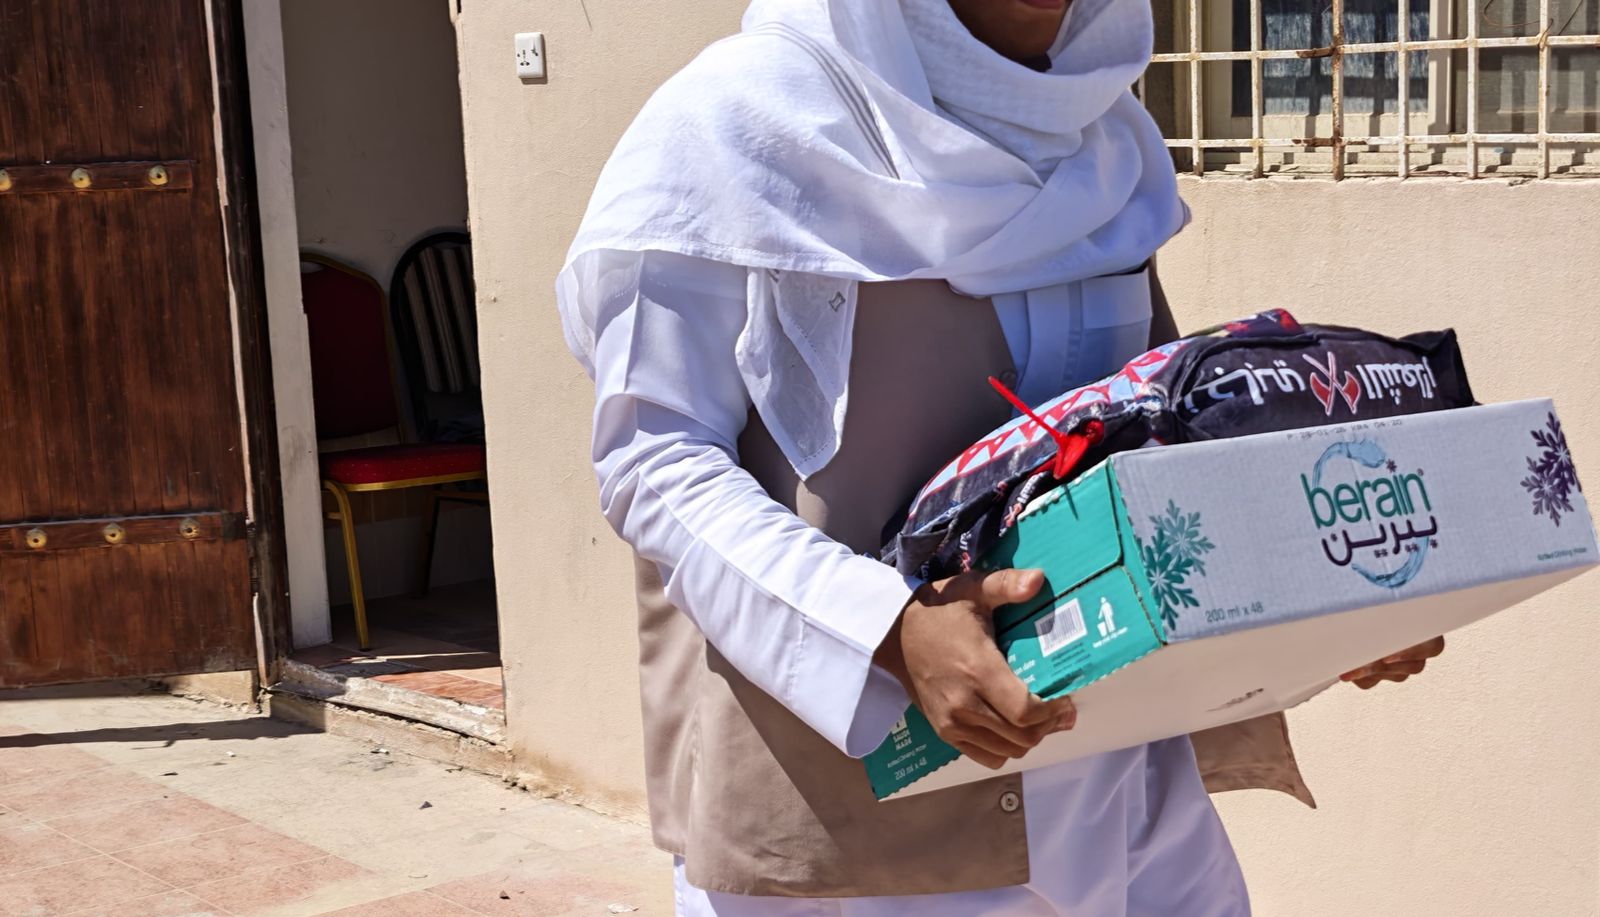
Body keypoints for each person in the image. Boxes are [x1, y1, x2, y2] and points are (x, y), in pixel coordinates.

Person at [556, 0, 1446, 914]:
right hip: (862, 818)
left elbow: (1147, 437)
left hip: (1125, 778)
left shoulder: (1102, 140)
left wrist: (1319, 606)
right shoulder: (734, 129)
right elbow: (653, 460)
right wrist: (886, 629)